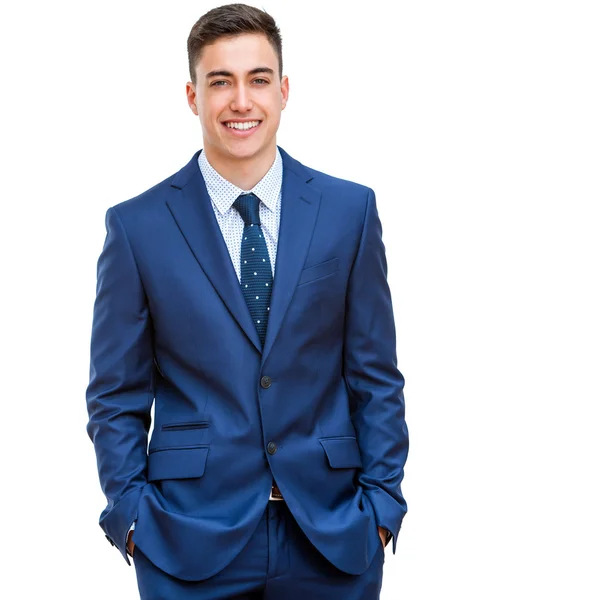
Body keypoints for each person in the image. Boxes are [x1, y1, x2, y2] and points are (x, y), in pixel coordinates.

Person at [86, 3, 408, 599]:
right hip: (186, 540)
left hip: (334, 535)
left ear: (283, 91)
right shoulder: (137, 228)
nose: (241, 101)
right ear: (192, 96)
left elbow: (375, 375)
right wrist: (130, 518)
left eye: (258, 79)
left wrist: (383, 506)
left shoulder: (349, 212)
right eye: (220, 81)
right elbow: (114, 396)